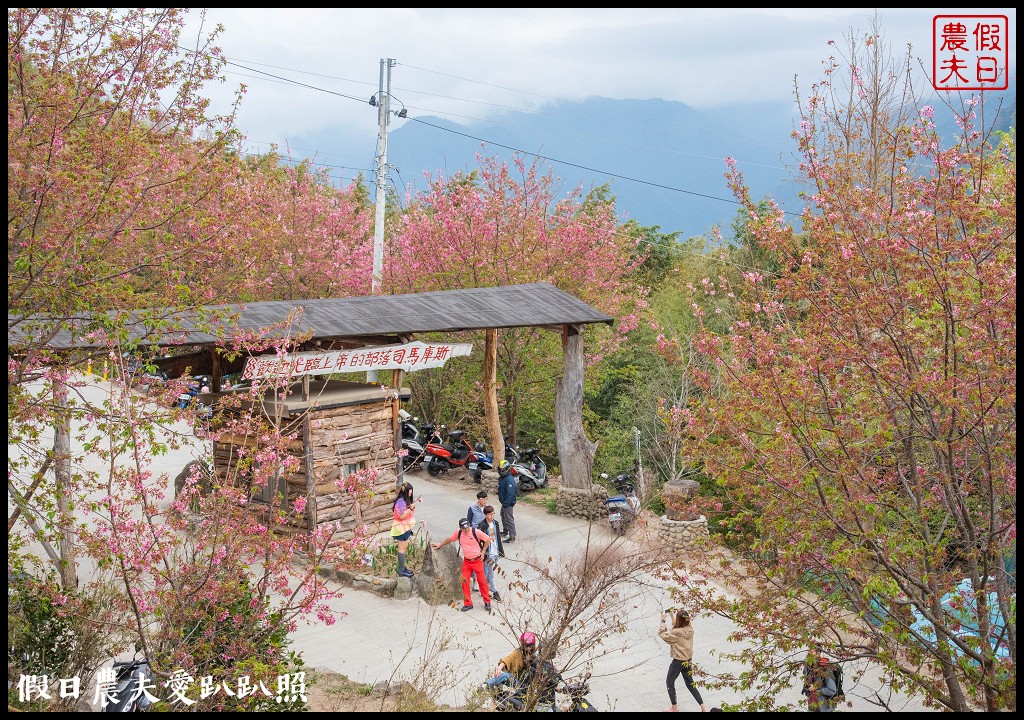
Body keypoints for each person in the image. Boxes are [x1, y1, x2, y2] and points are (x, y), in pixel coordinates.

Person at [432, 517, 492, 612]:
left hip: (477, 561)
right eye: (464, 528)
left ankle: (487, 601)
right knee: (464, 581)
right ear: (460, 528)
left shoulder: (475, 532)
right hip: (467, 562)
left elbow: (488, 539)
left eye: (467, 527)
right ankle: (468, 603)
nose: (466, 530)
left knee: (482, 582)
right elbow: (450, 539)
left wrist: (483, 551)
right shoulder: (459, 533)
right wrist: (440, 545)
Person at [659, 609, 708, 712]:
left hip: (678, 662)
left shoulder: (676, 633)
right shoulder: (690, 628)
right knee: (690, 683)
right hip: (688, 660)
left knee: (669, 682)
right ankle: (703, 707)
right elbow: (677, 627)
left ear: (679, 620)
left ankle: (674, 708)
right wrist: (672, 615)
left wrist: (663, 621)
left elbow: (663, 634)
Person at [390, 482, 422, 578]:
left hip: (406, 528)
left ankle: (403, 568)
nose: (411, 492)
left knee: (404, 548)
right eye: (409, 490)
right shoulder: (400, 502)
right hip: (400, 528)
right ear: (405, 491)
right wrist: (410, 509)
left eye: (412, 490)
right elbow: (401, 516)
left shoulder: (406, 501)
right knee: (401, 549)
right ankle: (401, 570)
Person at [478, 505, 504, 602]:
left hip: (496, 552)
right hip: (488, 554)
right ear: (485, 515)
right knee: (491, 574)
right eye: (489, 514)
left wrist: (500, 551)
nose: (492, 516)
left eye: (493, 514)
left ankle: (484, 590)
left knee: (487, 574)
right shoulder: (482, 526)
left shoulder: (495, 524)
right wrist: (482, 552)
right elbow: (479, 541)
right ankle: (495, 592)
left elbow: (498, 538)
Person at [497, 459, 517, 543]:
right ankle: (505, 531)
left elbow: (510, 494)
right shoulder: (502, 478)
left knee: (509, 519)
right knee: (503, 516)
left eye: (503, 470)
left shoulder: (509, 479)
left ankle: (512, 537)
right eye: (500, 470)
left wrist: (506, 504)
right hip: (504, 502)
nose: (501, 471)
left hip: (508, 503)